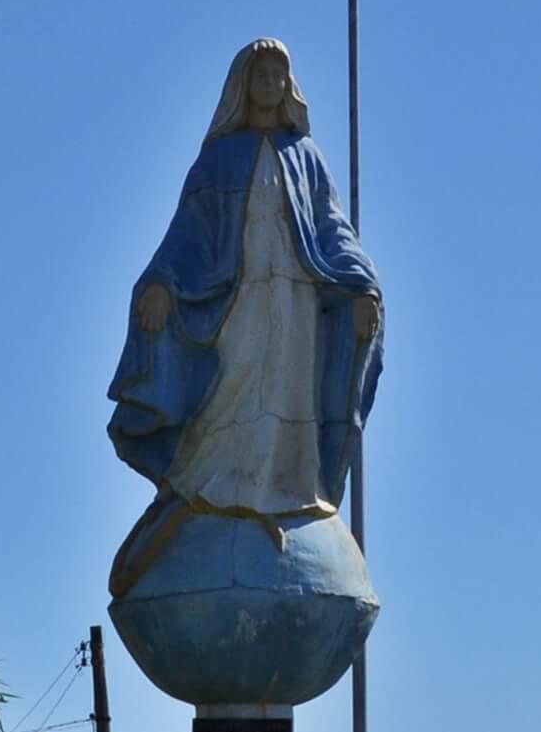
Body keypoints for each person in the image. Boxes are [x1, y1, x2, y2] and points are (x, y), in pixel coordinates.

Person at [107, 38, 384, 594]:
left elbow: (332, 230)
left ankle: (284, 492)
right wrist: (161, 283)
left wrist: (363, 289)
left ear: (289, 86)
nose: (269, 83)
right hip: (235, 299)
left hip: (295, 298)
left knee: (286, 389)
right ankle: (210, 484)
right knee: (234, 382)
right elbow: (187, 233)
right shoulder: (217, 160)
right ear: (243, 82)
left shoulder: (305, 157)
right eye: (261, 73)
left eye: (279, 74)